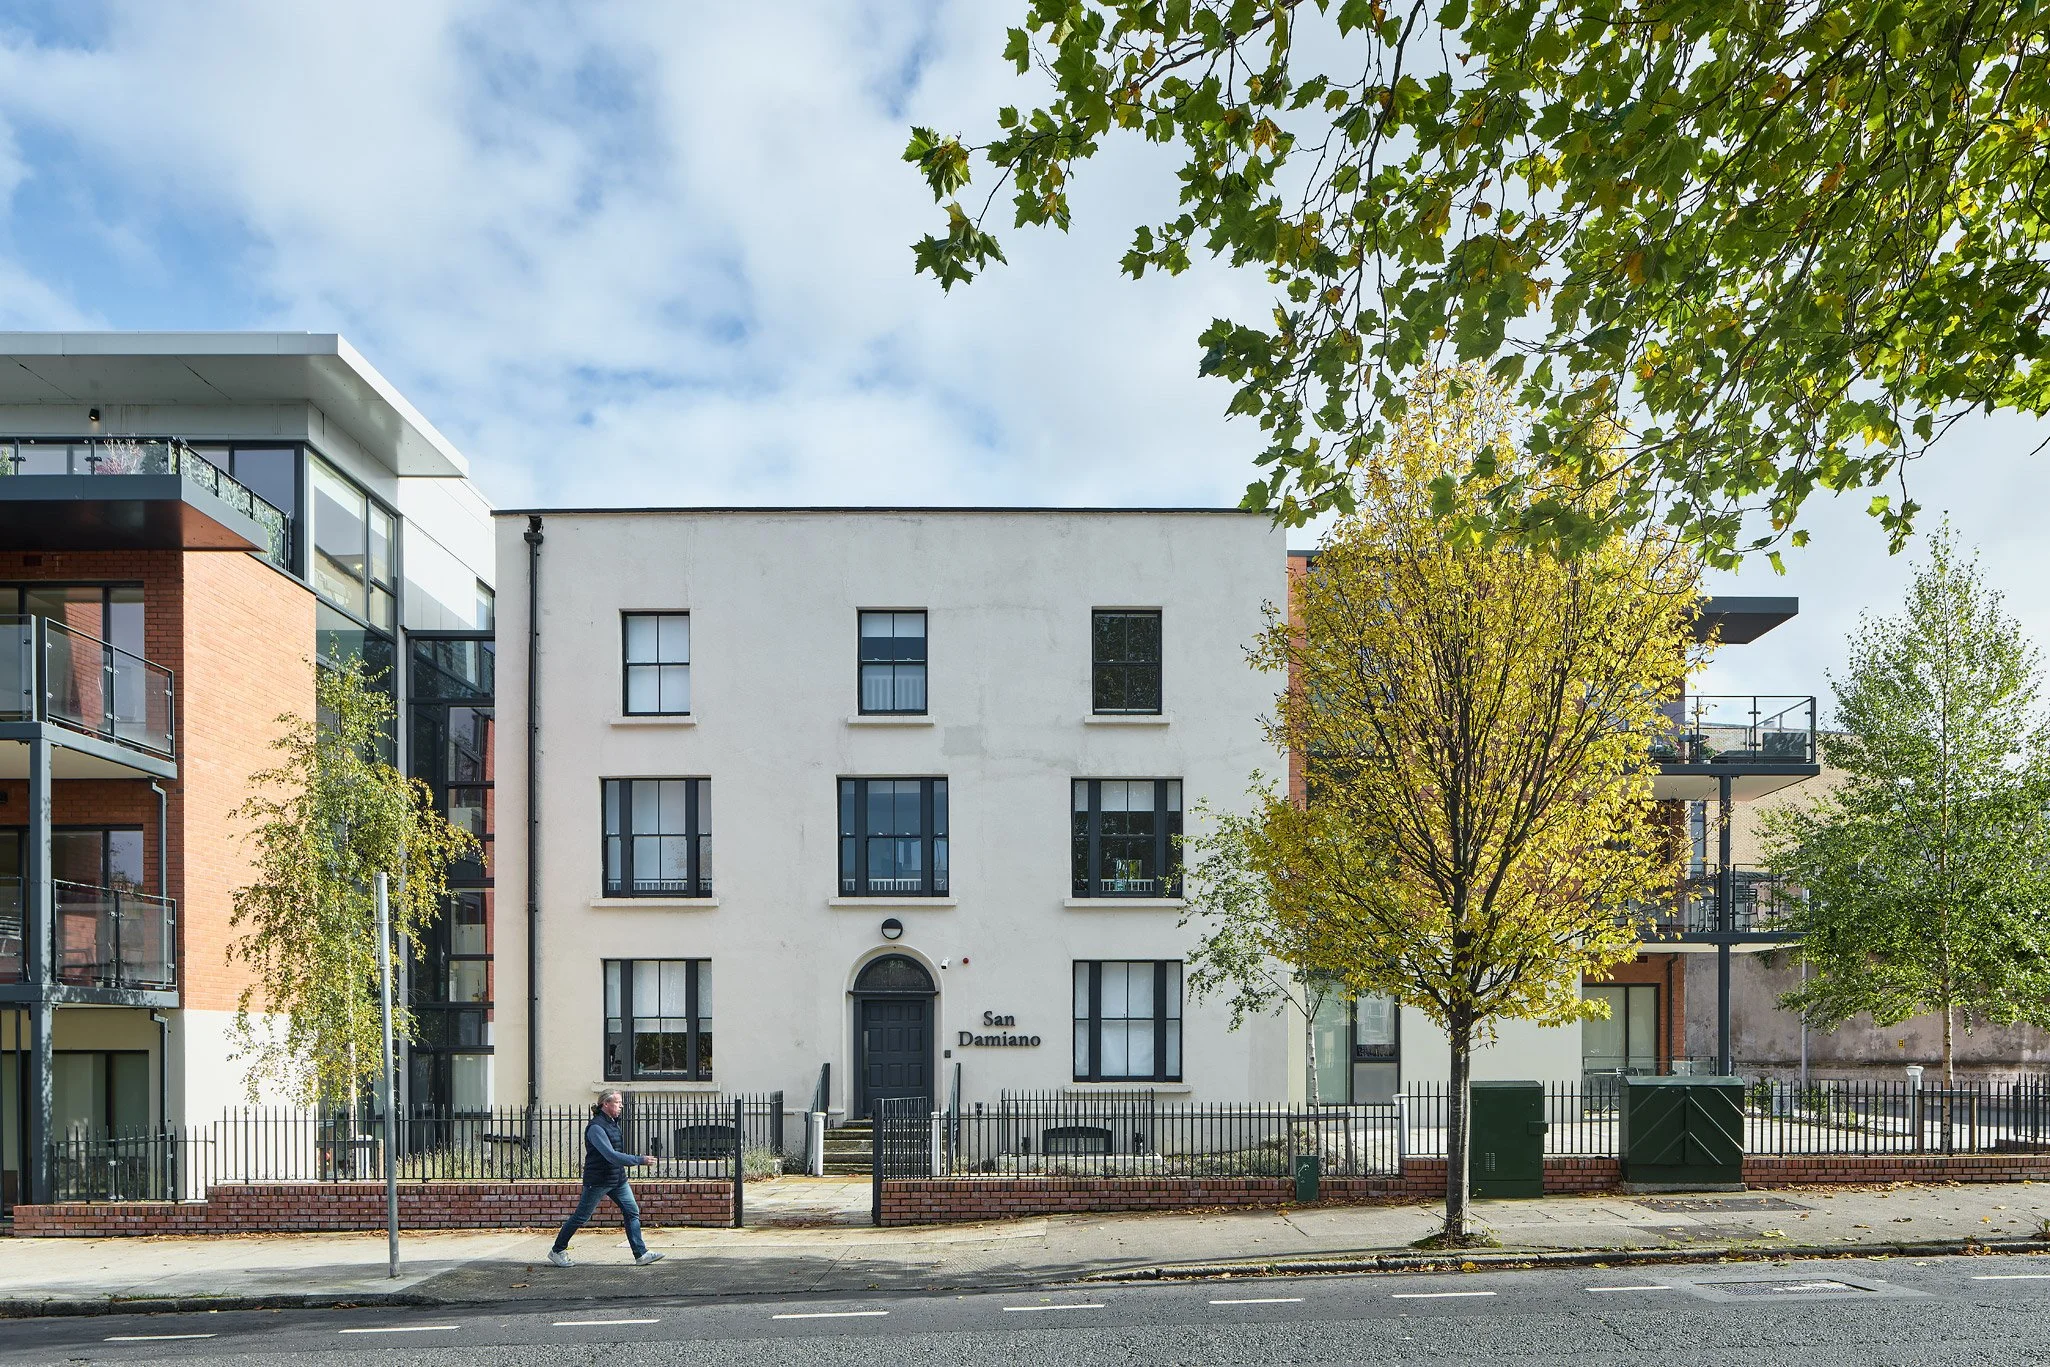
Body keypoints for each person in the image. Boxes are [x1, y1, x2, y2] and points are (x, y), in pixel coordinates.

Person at [548, 1090, 666, 1267]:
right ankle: (557, 1250)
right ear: (606, 1104)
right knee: (581, 1217)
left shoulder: (612, 1123)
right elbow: (610, 1155)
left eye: (620, 1103)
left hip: (617, 1179)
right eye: (617, 1103)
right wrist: (639, 1160)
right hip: (598, 1180)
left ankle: (641, 1254)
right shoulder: (596, 1127)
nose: (621, 1106)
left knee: (632, 1211)